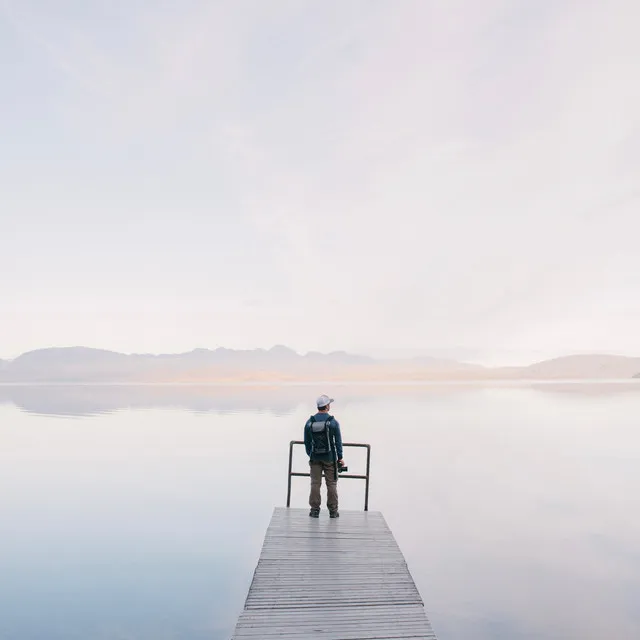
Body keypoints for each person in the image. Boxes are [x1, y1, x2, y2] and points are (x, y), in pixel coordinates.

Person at [304, 394, 344, 518]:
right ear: (327, 406)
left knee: (315, 483)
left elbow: (307, 442)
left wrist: (311, 454)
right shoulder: (332, 422)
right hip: (330, 457)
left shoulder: (310, 422)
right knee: (331, 484)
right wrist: (340, 457)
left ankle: (314, 510)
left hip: (315, 457)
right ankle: (333, 511)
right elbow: (338, 442)